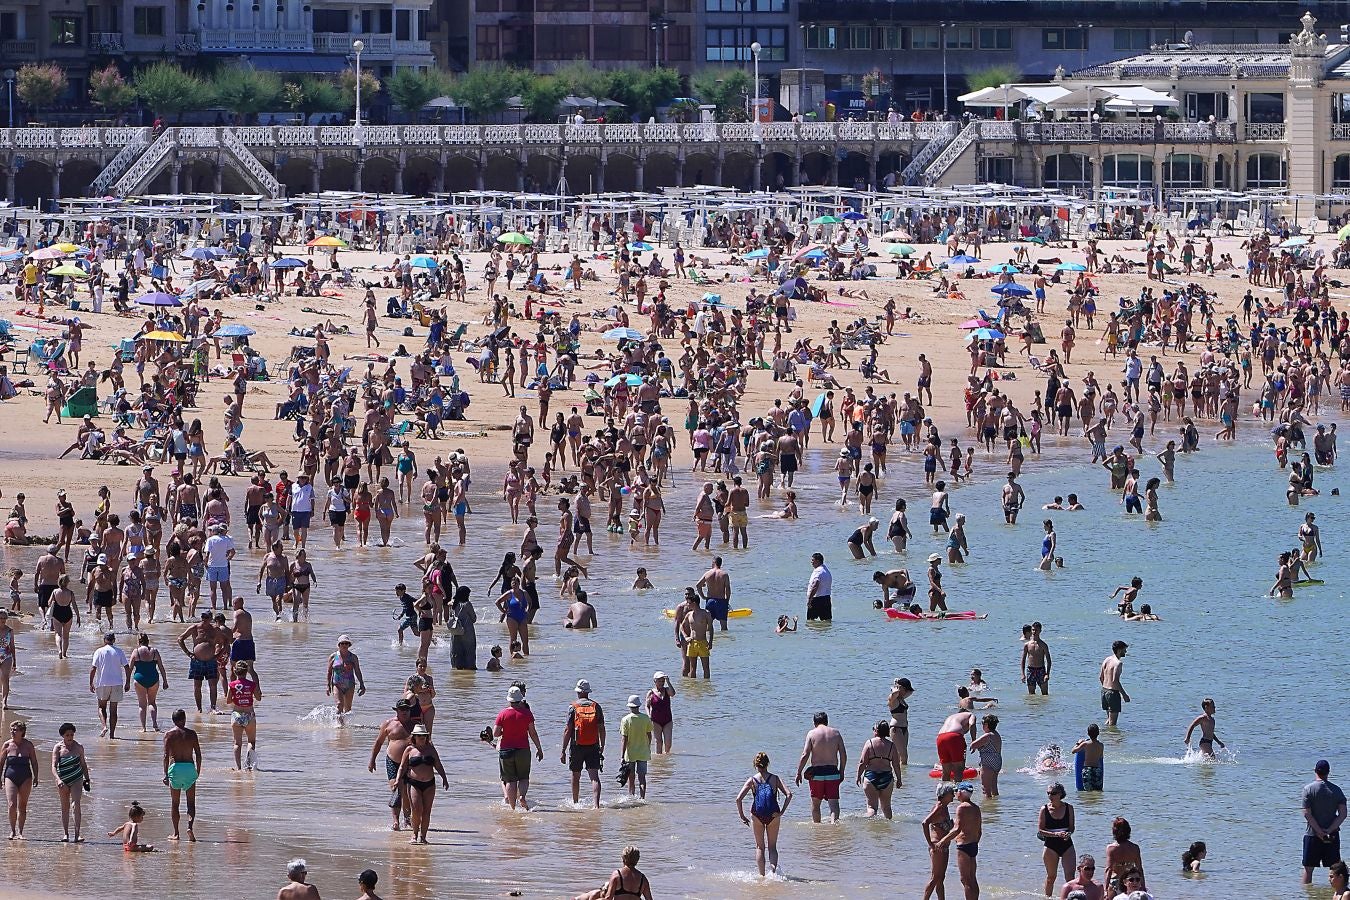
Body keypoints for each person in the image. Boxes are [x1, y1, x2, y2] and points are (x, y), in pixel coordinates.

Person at [735, 751, 792, 877]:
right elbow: (789, 794)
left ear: (755, 765)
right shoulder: (775, 779)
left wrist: (742, 816)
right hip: (773, 815)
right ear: (768, 764)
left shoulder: (752, 780)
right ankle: (773, 874)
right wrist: (781, 812)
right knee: (772, 847)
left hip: (757, 815)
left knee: (760, 847)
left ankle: (762, 876)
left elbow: (738, 799)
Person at [494, 684, 545, 810]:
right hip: (523, 749)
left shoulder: (502, 714)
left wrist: (504, 732)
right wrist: (539, 748)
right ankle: (522, 796)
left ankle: (512, 807)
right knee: (523, 777)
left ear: (509, 699)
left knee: (510, 780)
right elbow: (532, 732)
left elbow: (495, 733)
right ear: (520, 698)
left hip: (506, 750)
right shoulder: (527, 713)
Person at [396, 723, 448, 844]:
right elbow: (402, 767)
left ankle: (423, 837)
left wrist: (444, 779)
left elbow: (438, 765)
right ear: (414, 737)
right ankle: (414, 835)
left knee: (427, 811)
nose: (422, 738)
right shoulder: (409, 750)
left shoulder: (431, 749)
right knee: (416, 809)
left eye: (424, 736)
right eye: (419, 736)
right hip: (414, 783)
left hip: (429, 784)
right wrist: (398, 779)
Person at [794, 711, 847, 823]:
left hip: (816, 773)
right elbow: (843, 755)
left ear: (814, 723)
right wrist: (841, 772)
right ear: (827, 722)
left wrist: (799, 772)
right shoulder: (836, 733)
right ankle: (834, 825)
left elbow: (805, 754)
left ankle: (817, 829)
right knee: (834, 804)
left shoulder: (812, 734)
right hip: (832, 772)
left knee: (816, 803)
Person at [561, 679, 606, 808]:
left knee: (576, 775)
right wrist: (602, 745)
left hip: (577, 745)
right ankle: (596, 805)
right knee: (594, 777)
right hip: (593, 744)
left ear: (578, 692)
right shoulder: (596, 706)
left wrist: (563, 750)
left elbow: (568, 730)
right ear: (588, 692)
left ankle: (575, 803)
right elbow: (602, 728)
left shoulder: (573, 707)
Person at [935, 783, 982, 900]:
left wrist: (942, 841)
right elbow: (979, 831)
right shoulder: (976, 808)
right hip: (973, 845)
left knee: (965, 880)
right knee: (972, 879)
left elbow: (957, 829)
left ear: (961, 793)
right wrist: (974, 842)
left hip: (964, 846)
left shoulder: (961, 807)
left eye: (956, 791)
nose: (955, 794)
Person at [1305, 759, 1348, 883]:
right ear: (1328, 772)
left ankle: (1305, 895)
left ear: (1315, 771)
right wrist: (1328, 830)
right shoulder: (1337, 790)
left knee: (1308, 870)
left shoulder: (1308, 789)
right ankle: (1336, 895)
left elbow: (1307, 814)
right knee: (1336, 870)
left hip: (1312, 834)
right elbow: (1343, 814)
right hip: (1332, 835)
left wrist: (1319, 832)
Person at [163, 708, 202, 841]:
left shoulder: (169, 734)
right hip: (189, 768)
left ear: (173, 720)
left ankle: (176, 833)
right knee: (191, 803)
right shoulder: (192, 734)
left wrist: (166, 775)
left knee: (175, 803)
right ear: (184, 719)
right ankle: (190, 827)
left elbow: (165, 756)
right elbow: (198, 754)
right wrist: (198, 771)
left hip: (175, 769)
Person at [856, 720, 902, 818]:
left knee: (872, 807)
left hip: (871, 777)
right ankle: (888, 829)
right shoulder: (891, 745)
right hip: (887, 778)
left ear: (876, 730)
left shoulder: (869, 743)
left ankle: (870, 829)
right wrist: (899, 779)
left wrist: (858, 776)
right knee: (886, 807)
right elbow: (896, 765)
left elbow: (862, 762)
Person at [1039, 782, 1077, 897]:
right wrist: (1056, 834)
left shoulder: (1069, 808)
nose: (1050, 796)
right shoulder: (1044, 809)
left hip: (1067, 844)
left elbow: (1072, 827)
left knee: (1070, 877)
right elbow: (1041, 830)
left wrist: (1068, 833)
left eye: (1053, 793)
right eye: (1048, 793)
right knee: (1051, 877)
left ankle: (1071, 898)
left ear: (1060, 794)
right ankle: (1048, 898)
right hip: (1051, 845)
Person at [90, 630, 131, 739]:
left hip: (102, 683)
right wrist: (128, 682)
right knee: (114, 710)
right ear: (114, 640)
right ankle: (112, 735)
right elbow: (127, 667)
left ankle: (104, 726)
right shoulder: (119, 651)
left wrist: (91, 683)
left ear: (104, 640)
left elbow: (93, 668)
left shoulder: (99, 651)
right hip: (117, 683)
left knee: (101, 707)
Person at [573, 845, 654, 900]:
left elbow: (608, 898)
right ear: (637, 859)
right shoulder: (643, 879)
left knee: (596, 894)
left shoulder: (617, 874)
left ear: (623, 858)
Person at [3, 721, 37, 839]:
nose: (12, 731)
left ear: (22, 732)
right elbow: (1, 762)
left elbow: (33, 761)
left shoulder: (28, 745)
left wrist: (36, 776)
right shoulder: (7, 745)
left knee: (22, 805)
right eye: (11, 729)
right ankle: (12, 831)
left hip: (26, 777)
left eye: (15, 730)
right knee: (12, 804)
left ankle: (21, 832)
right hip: (10, 776)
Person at [129, 632, 169, 732]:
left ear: (139, 641)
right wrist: (165, 681)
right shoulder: (154, 651)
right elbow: (161, 667)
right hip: (153, 679)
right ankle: (155, 724)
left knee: (142, 705)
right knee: (152, 703)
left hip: (139, 679)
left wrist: (126, 682)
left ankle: (143, 728)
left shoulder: (136, 651)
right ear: (148, 641)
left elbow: (129, 668)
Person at [922, 783, 956, 900]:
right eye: (951, 793)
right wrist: (930, 844)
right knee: (935, 878)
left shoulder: (945, 808)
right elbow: (925, 822)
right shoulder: (939, 807)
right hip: (937, 847)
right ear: (944, 794)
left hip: (944, 847)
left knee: (941, 878)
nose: (954, 795)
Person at [227, 660, 261, 771]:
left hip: (236, 715)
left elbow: (228, 701)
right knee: (251, 742)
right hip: (249, 715)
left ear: (235, 671)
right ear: (246, 672)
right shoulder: (251, 684)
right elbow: (258, 698)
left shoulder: (232, 685)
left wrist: (238, 697)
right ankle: (249, 765)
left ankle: (238, 767)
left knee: (237, 743)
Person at [619, 695, 653, 799]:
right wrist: (647, 746)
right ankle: (642, 798)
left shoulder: (625, 720)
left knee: (631, 777)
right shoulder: (646, 718)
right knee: (642, 777)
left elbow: (624, 739)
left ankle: (631, 797)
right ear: (639, 705)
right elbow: (649, 735)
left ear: (629, 706)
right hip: (643, 752)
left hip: (630, 753)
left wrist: (622, 755)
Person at [936, 697, 976, 783]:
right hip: (954, 737)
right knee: (958, 769)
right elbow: (972, 724)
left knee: (946, 770)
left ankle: (943, 792)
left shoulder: (951, 717)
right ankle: (958, 791)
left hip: (940, 737)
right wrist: (973, 740)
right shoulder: (970, 715)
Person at [326, 635, 367, 717]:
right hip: (337, 684)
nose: (344, 645)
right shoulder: (333, 657)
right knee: (339, 704)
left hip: (350, 685)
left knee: (348, 708)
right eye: (342, 643)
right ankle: (339, 726)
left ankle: (345, 727)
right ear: (339, 645)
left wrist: (362, 684)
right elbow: (329, 672)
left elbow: (357, 671)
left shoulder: (353, 657)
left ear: (349, 645)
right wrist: (328, 686)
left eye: (346, 643)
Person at [1103, 817, 1145, 893]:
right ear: (1128, 831)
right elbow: (1139, 869)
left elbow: (1108, 869)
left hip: (1115, 882)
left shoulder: (1111, 848)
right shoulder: (1134, 848)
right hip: (1130, 881)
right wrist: (1143, 886)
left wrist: (1105, 889)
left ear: (1114, 831)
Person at [969, 714, 1002, 798]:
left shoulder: (988, 735)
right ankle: (996, 804)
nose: (982, 726)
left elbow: (973, 745)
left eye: (982, 723)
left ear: (986, 724)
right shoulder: (996, 735)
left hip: (988, 763)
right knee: (994, 787)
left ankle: (988, 807)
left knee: (986, 788)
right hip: (997, 761)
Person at [1098, 640, 1130, 727]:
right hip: (1112, 694)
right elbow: (1115, 681)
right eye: (1124, 650)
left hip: (1104, 691)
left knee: (1109, 720)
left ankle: (1104, 737)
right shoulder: (1118, 663)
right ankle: (1112, 739)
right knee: (1113, 724)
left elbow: (1101, 677)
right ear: (1119, 650)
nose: (1125, 652)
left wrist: (1106, 690)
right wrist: (1124, 694)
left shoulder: (1107, 660)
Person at [647, 672, 676, 754]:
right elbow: (647, 705)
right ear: (655, 681)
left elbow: (673, 694)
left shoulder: (667, 690)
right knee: (658, 741)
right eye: (659, 681)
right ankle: (659, 761)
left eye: (663, 681)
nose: (661, 683)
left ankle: (666, 757)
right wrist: (649, 715)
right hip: (656, 720)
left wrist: (668, 682)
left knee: (668, 743)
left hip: (667, 720)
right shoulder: (651, 693)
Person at [1021, 621, 1052, 695]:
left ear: (1040, 631)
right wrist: (1022, 674)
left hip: (1041, 670)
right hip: (1030, 670)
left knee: (1045, 695)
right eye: (1033, 630)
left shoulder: (1043, 645)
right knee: (1031, 695)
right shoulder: (1027, 645)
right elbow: (1023, 660)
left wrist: (1047, 674)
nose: (1034, 632)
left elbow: (1049, 660)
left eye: (1036, 630)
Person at [1072, 723, 1105, 791]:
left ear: (1088, 733)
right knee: (1098, 790)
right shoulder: (1101, 745)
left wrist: (1078, 743)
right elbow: (1101, 757)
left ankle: (1089, 800)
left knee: (1088, 791)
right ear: (1098, 733)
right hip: (1097, 769)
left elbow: (1073, 751)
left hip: (1088, 770)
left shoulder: (1085, 744)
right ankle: (1099, 801)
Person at [806, 552, 832, 621]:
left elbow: (815, 585)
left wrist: (809, 599)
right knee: (827, 620)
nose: (811, 562)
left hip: (817, 600)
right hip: (826, 599)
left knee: (810, 621)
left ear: (817, 561)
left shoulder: (818, 571)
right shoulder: (826, 570)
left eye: (812, 560)